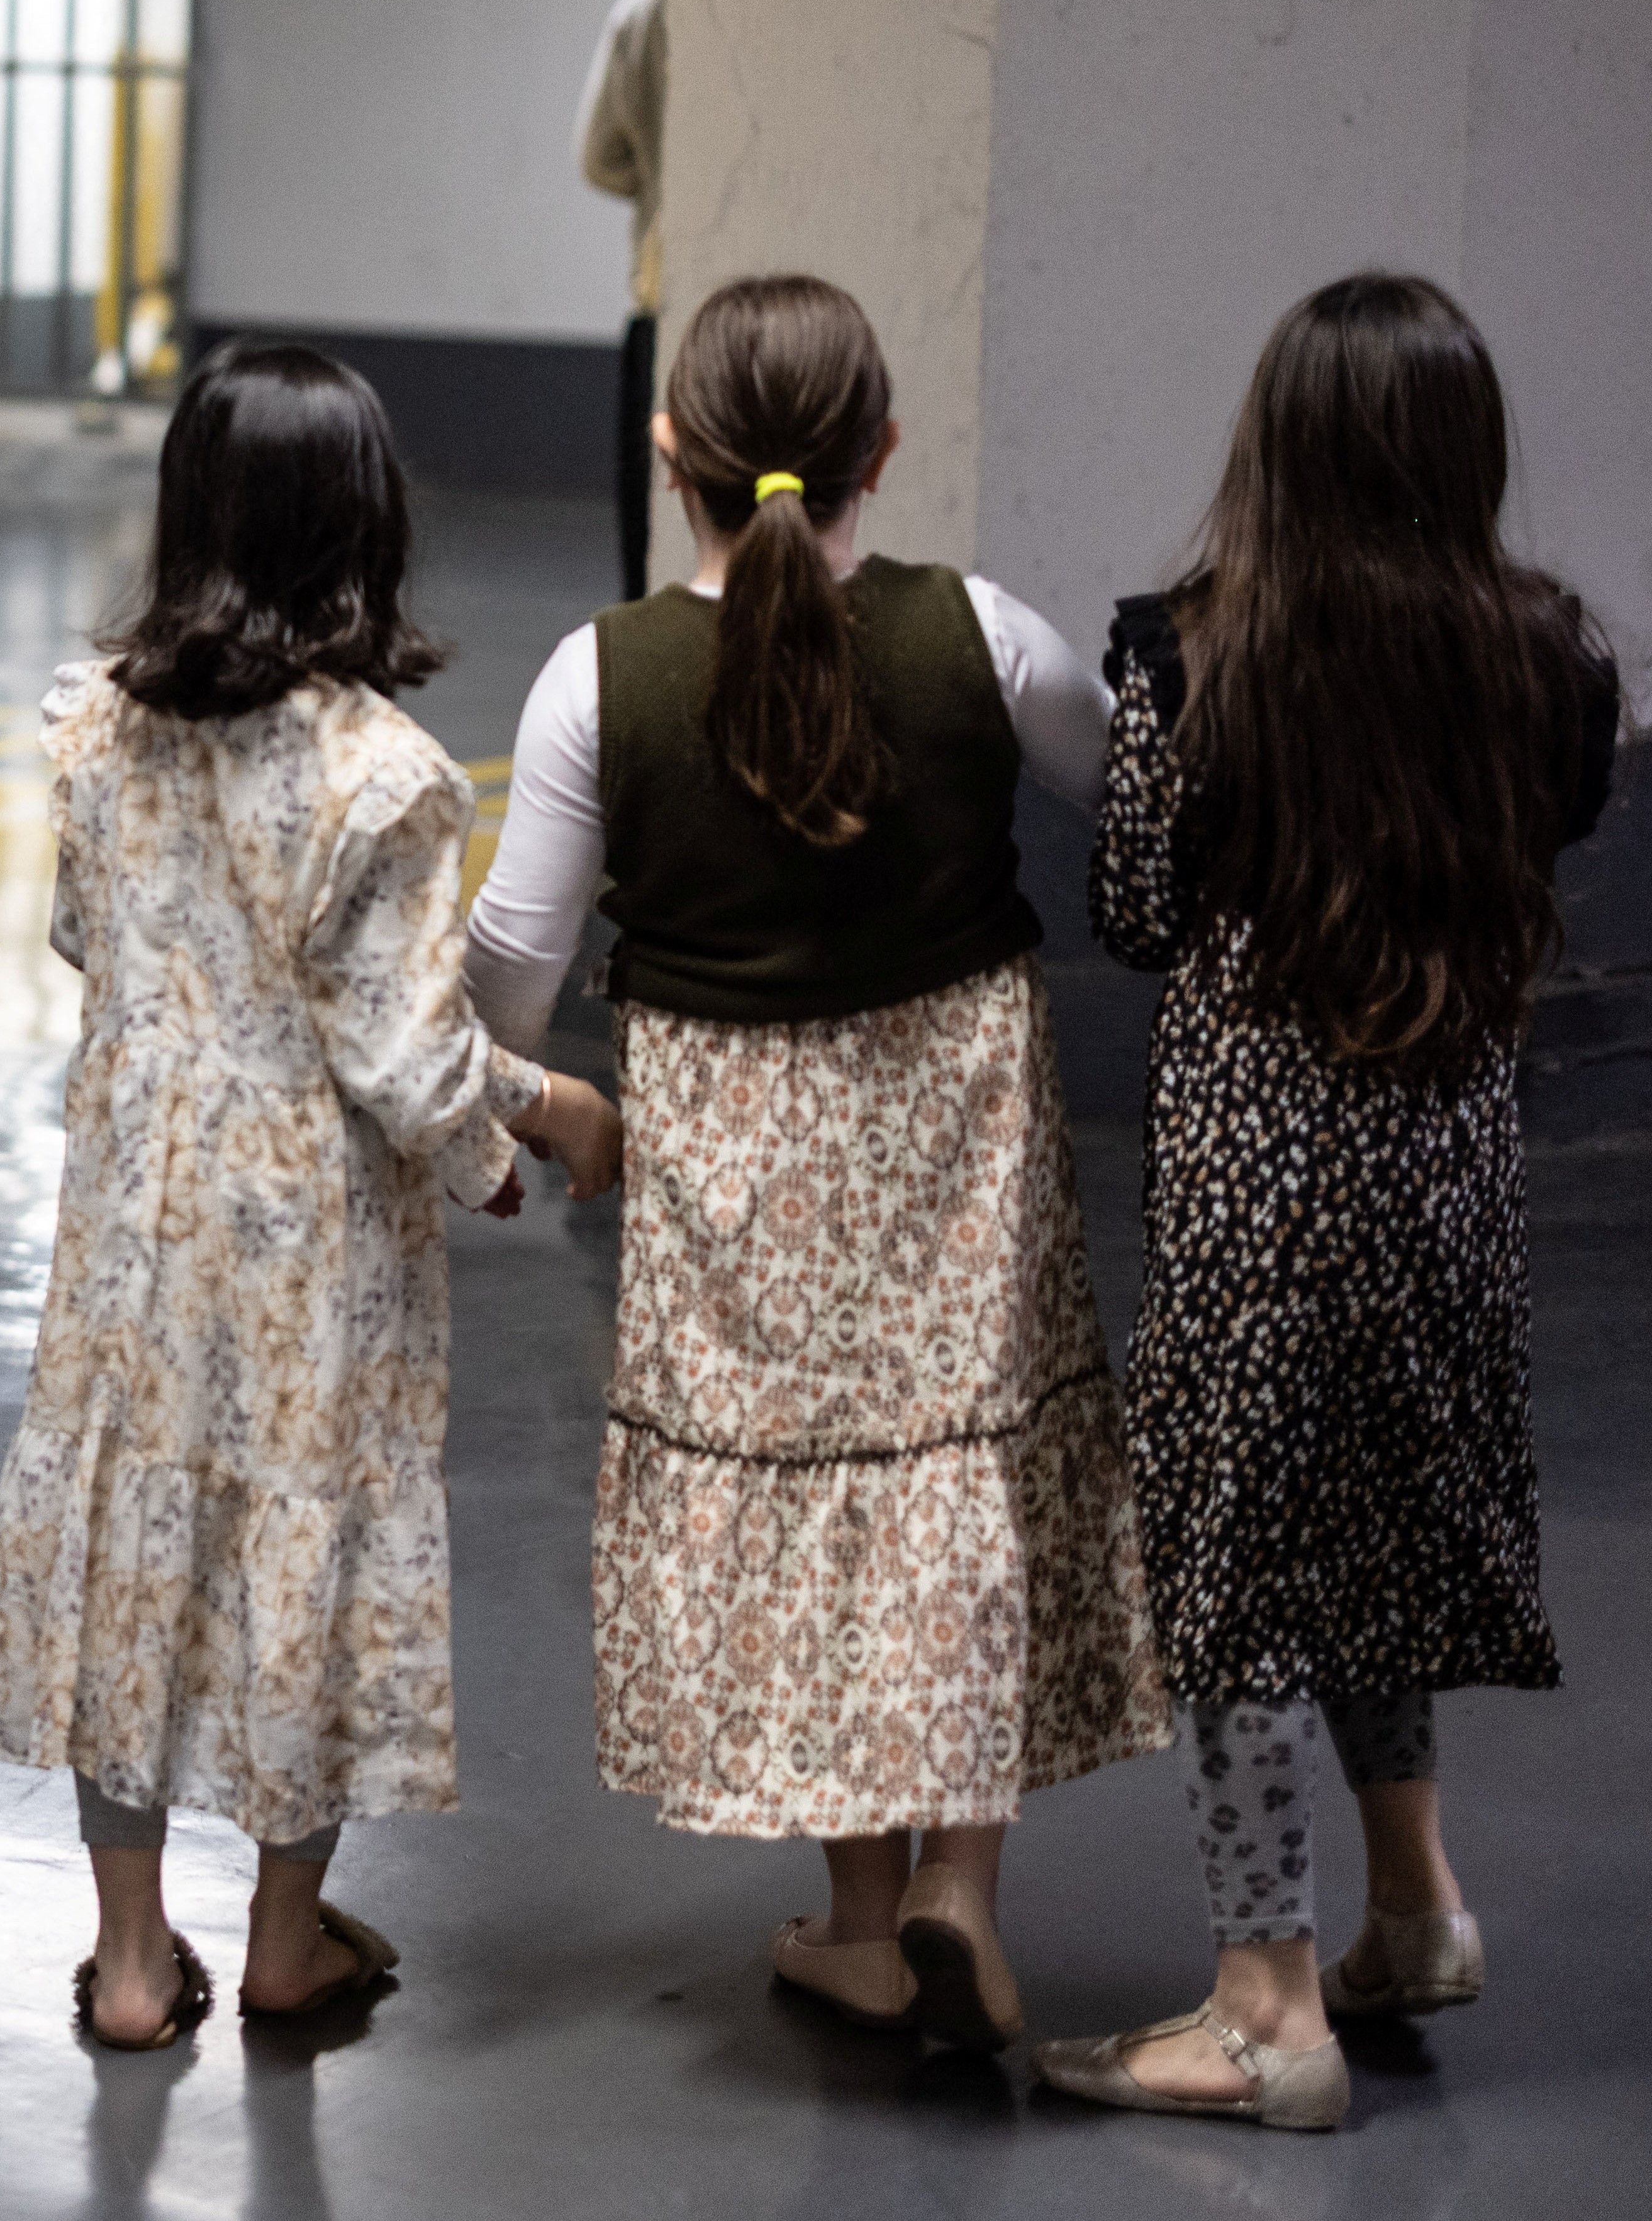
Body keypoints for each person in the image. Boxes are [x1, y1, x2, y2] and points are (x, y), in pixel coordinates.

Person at [462, 272, 1168, 2054]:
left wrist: (551, 1107)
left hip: (737, 1168)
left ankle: (862, 1913)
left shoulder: (592, 679)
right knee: (956, 1474)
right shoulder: (977, 637)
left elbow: (504, 985)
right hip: (952, 1139)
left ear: (667, 452)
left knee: (808, 1500)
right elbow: (1141, 815)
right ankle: (958, 1898)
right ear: (881, 450)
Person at [0, 344, 622, 2049]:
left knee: (137, 1532)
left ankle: (121, 1952)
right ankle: (288, 1938)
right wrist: (533, 1118)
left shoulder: (90, 722)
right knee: (302, 1535)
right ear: (364, 528)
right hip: (305, 1228)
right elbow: (400, 1058)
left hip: (130, 1202)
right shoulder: (384, 774)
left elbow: (89, 938)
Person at [1032, 276, 1619, 2134]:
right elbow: (1560, 826)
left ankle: (1261, 2008)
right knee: (1365, 1531)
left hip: (1251, 1179)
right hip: (1445, 1166)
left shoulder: (1186, 654)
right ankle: (1415, 1905)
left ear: (1272, 440)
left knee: (1237, 1585)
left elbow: (1130, 908)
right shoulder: (1548, 656)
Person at [576, 0, 667, 603]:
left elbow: (597, 156)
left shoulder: (648, 1)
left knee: (651, 551)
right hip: (786, 315)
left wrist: (658, 191)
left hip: (663, 295)